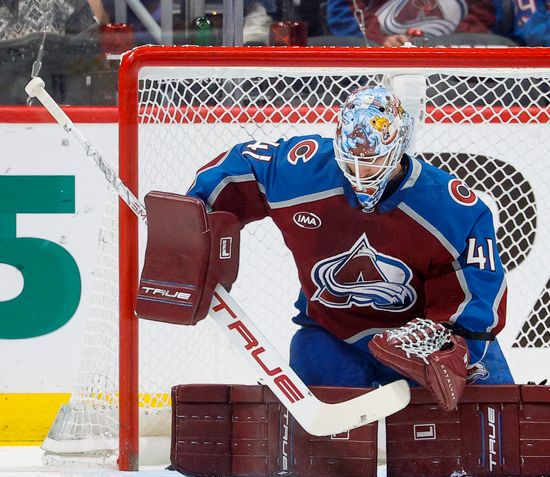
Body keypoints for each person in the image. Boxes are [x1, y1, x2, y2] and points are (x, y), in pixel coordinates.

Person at [184, 86, 514, 406]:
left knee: (490, 441)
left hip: (421, 348)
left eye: (372, 159)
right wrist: (189, 223)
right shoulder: (304, 170)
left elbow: (477, 286)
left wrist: (450, 339)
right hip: (331, 336)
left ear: (399, 148)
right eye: (350, 158)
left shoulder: (449, 206)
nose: (360, 173)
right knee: (319, 459)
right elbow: (244, 165)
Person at [325, 0, 515, 47]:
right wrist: (379, 41)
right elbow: (344, 10)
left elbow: (485, 11)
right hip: (383, 60)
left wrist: (446, 43)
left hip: (453, 58)